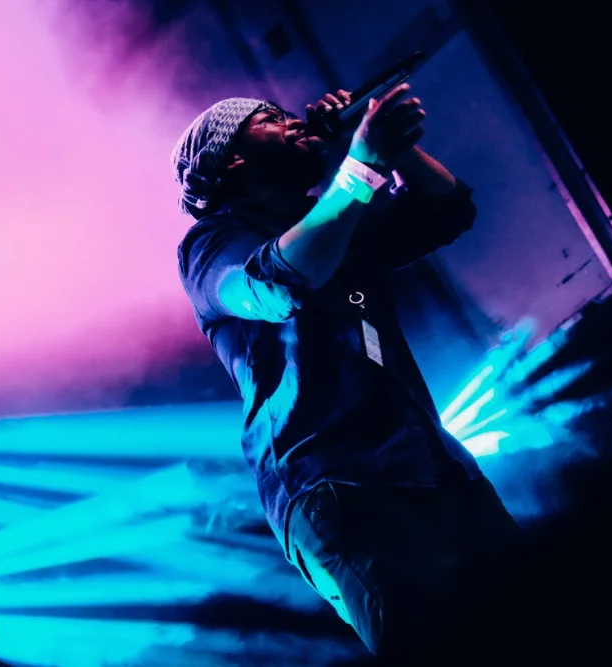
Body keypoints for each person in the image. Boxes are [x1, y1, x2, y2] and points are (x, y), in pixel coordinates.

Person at [171, 84, 522, 660]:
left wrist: (387, 147)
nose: (292, 120)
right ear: (232, 157)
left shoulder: (333, 216)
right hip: (337, 485)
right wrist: (359, 165)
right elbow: (275, 283)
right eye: (271, 118)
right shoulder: (211, 244)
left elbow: (447, 208)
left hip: (435, 466)